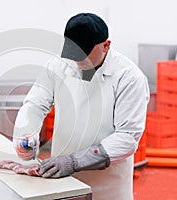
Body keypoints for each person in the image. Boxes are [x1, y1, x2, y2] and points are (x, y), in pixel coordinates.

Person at [13, 13, 150, 199]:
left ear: (106, 45)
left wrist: (74, 161)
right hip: (61, 178)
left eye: (84, 53)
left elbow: (127, 137)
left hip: (107, 184)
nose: (77, 60)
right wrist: (26, 135)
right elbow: (35, 104)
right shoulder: (58, 65)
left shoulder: (129, 78)